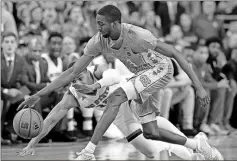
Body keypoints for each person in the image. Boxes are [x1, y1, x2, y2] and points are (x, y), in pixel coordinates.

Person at [18, 5, 221, 160]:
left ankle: (89, 151)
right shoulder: (97, 44)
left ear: (114, 23)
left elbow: (174, 53)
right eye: (96, 24)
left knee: (116, 96)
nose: (97, 28)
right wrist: (38, 96)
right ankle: (198, 146)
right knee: (151, 140)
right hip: (133, 92)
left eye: (101, 24)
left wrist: (199, 87)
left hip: (159, 69)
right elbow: (54, 112)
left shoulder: (136, 37)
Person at [17, 64, 204, 160]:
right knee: (150, 152)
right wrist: (32, 143)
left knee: (150, 126)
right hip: (117, 114)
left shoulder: (97, 70)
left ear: (87, 71)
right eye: (74, 80)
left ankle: (194, 148)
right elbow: (50, 120)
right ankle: (178, 145)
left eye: (80, 77)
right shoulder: (73, 95)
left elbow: (112, 75)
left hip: (130, 93)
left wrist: (97, 85)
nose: (78, 82)